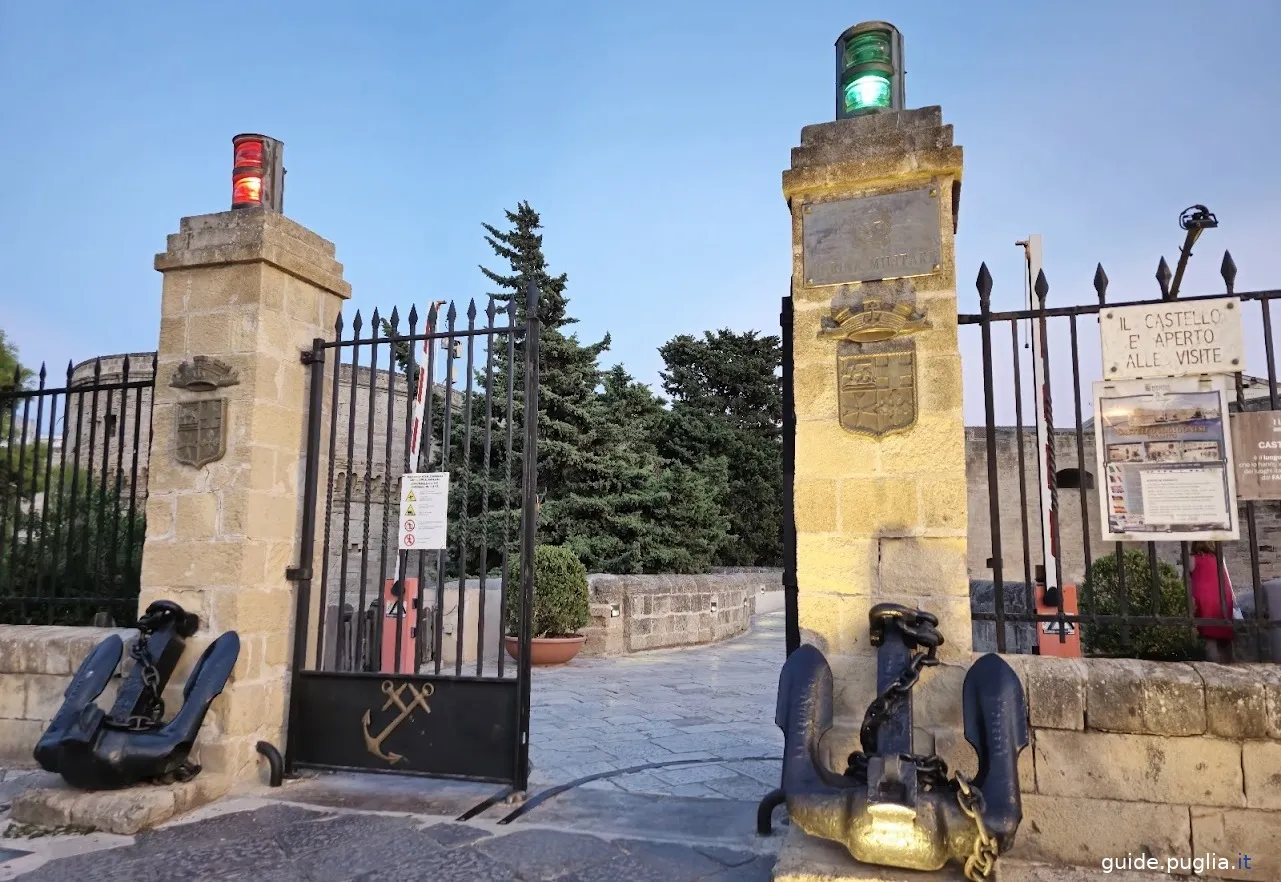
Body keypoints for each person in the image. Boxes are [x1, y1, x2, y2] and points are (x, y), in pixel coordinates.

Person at [1189, 542, 1235, 663]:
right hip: (1223, 598)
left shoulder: (1192, 559)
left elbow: (1186, 581)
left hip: (1204, 600)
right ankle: (1228, 666)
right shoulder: (1219, 558)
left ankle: (1215, 669)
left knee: (1210, 640)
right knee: (1224, 638)